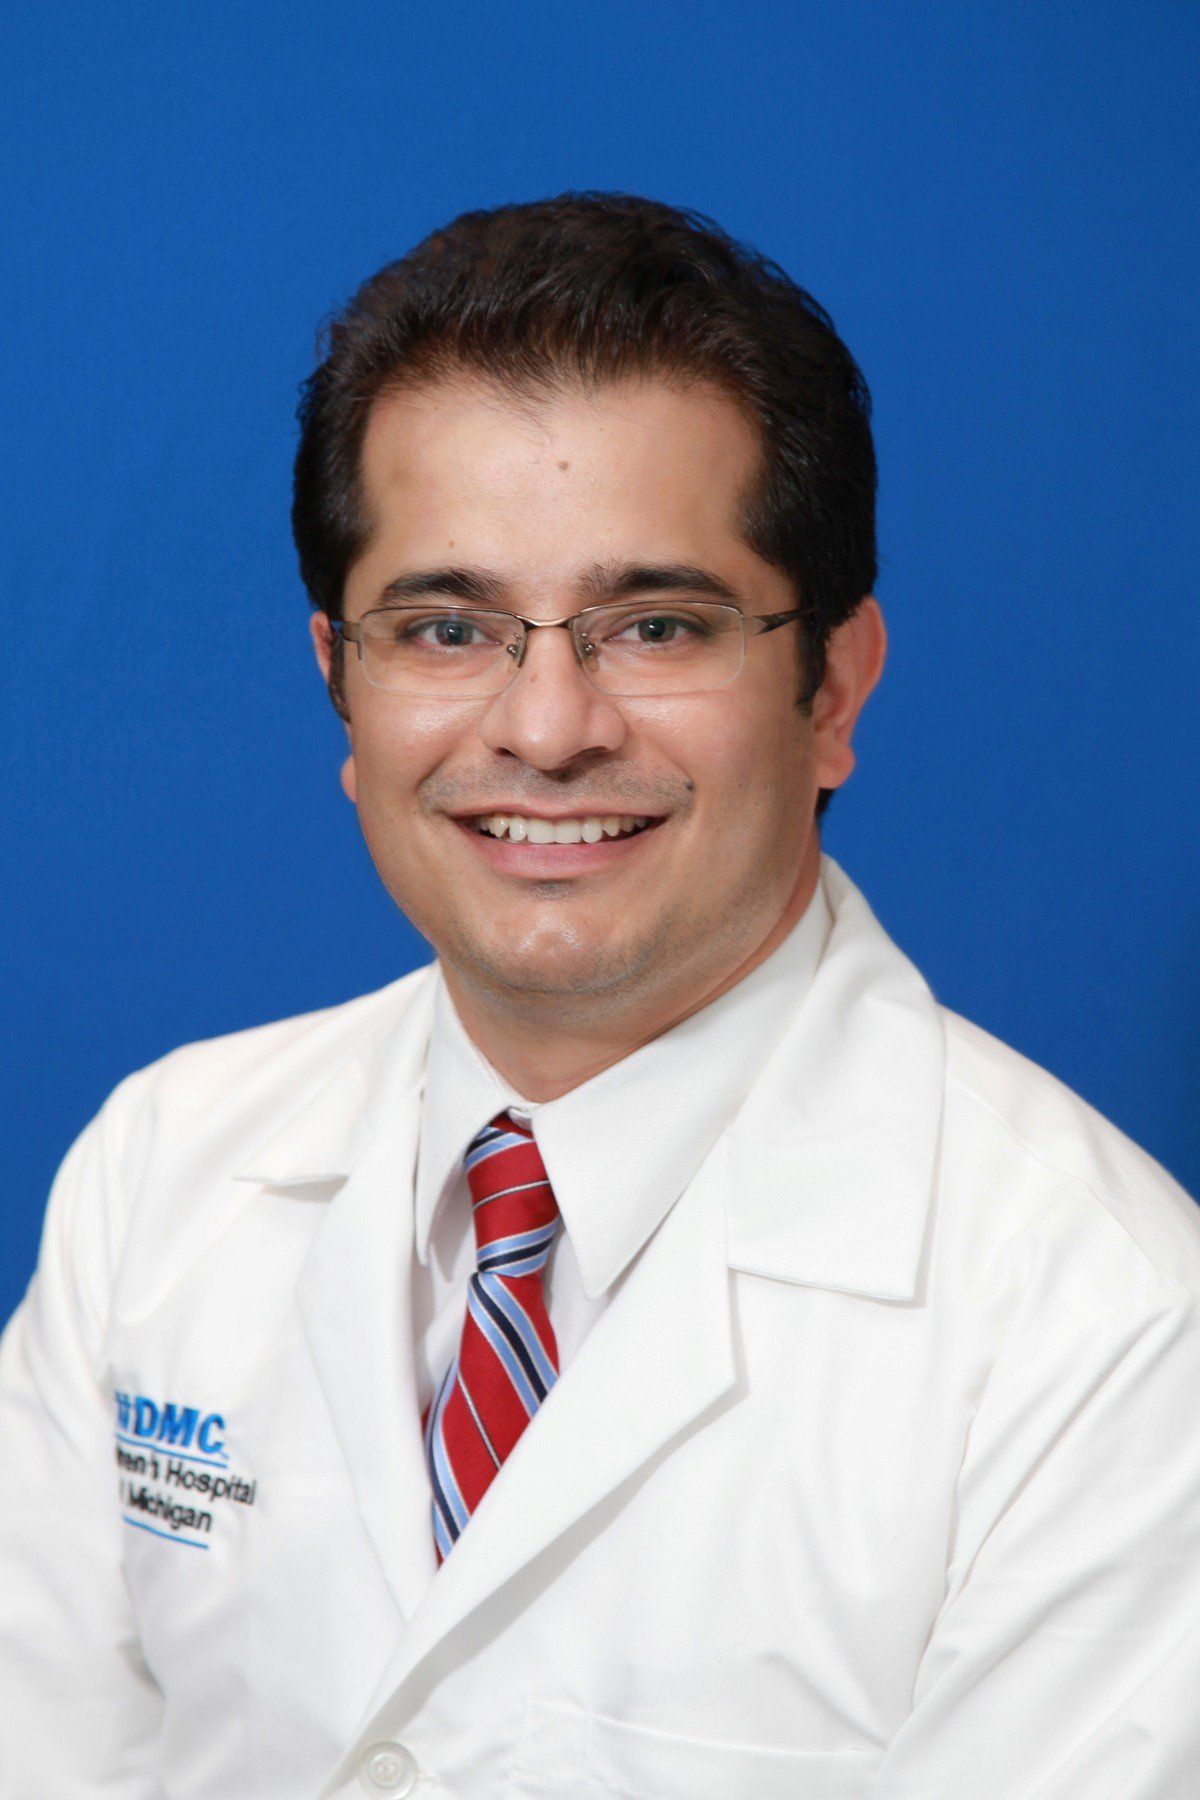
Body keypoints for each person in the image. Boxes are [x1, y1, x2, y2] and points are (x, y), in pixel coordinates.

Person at [2, 192, 1198, 1800]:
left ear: (830, 689)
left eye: (654, 624)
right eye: (446, 626)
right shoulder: (160, 1174)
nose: (549, 727)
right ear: (340, 686)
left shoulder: (1112, 1332)